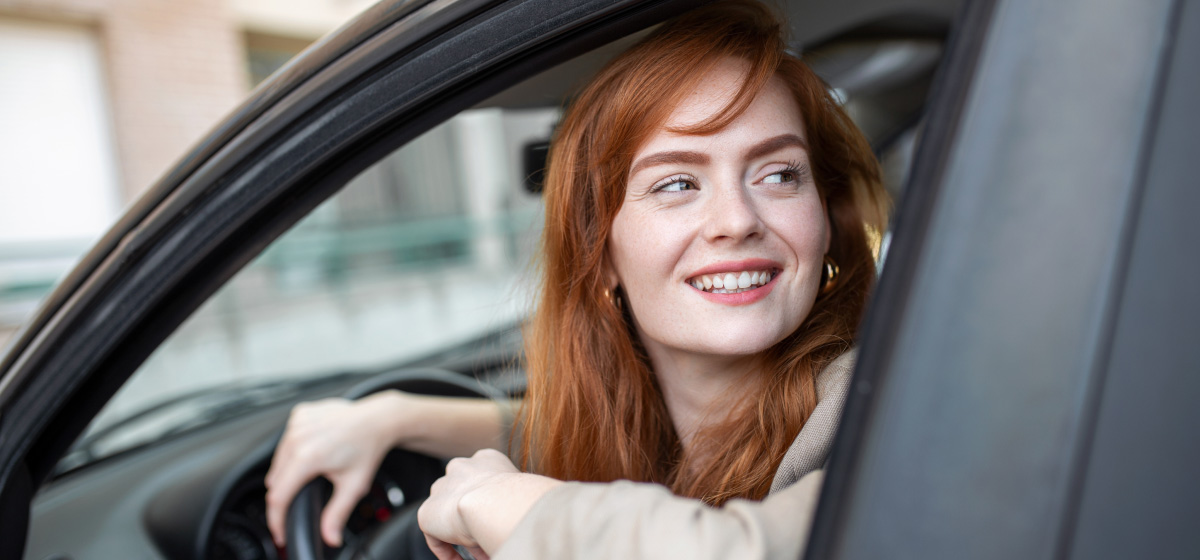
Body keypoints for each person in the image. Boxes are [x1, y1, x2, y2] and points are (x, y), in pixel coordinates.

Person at [264, 1, 888, 558]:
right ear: (601, 255)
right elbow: (572, 420)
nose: (737, 220)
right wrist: (394, 417)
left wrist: (503, 504)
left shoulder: (876, 404)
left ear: (826, 222)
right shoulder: (660, 416)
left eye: (779, 174)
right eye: (676, 183)